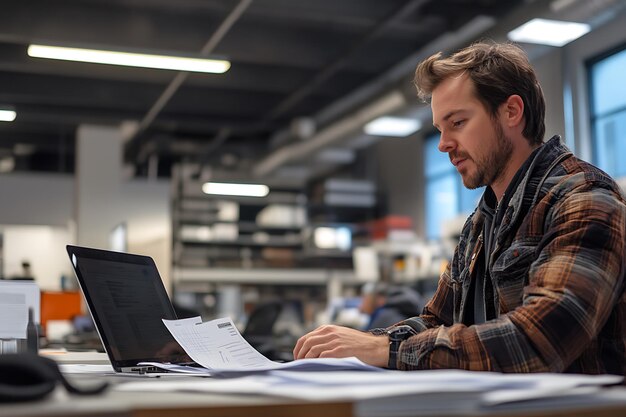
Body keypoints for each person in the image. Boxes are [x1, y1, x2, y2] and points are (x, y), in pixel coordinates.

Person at [293, 41, 626, 375]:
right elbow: (437, 321)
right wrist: (355, 344)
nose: (443, 144)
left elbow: (540, 340)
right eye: (440, 129)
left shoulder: (584, 197)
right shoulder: (482, 223)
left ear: (511, 112)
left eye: (458, 122)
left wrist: (386, 349)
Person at [359, 283, 423, 330]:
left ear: (380, 299)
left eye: (365, 300)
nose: (361, 304)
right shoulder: (392, 312)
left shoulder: (384, 316)